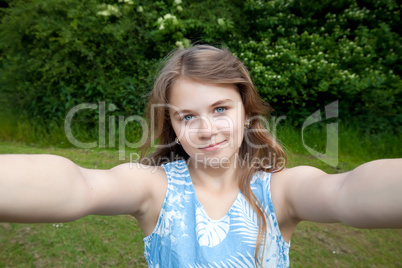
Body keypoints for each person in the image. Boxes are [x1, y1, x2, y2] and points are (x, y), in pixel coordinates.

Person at [0, 45, 401, 267]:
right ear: (171, 124)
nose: (206, 128)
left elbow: (347, 190)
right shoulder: (155, 188)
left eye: (221, 109)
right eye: (188, 115)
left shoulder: (281, 190)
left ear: (246, 112)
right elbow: (81, 185)